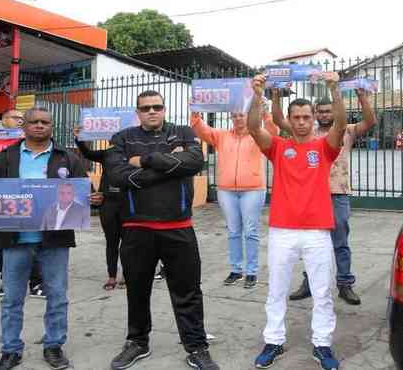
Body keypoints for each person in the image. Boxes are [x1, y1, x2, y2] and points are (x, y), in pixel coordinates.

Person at [104, 90, 219, 370]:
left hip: (178, 227)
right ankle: (137, 342)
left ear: (164, 109)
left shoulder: (182, 131)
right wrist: (171, 164)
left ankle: (196, 346)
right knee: (137, 290)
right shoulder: (122, 138)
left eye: (156, 106)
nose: (151, 111)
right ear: (138, 112)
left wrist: (144, 160)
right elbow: (118, 176)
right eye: (145, 108)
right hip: (136, 228)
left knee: (188, 291)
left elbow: (194, 162)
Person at [0, 108, 101, 370]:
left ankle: (54, 346)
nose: (39, 126)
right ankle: (10, 349)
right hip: (14, 239)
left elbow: (85, 192)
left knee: (57, 295)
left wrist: (94, 199)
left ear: (51, 126)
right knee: (12, 298)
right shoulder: (5, 158)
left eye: (45, 122)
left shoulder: (67, 158)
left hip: (55, 238)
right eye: (34, 122)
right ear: (23, 126)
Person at [248, 72, 346, 370]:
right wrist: (257, 95)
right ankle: (274, 341)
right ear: (289, 119)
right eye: (297, 117)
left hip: (317, 232)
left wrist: (334, 88)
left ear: (314, 119)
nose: (302, 121)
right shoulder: (279, 146)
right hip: (283, 231)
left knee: (323, 291)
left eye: (306, 117)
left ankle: (322, 344)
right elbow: (253, 127)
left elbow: (341, 124)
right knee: (276, 289)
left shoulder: (325, 147)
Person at [273, 88, 376, 306]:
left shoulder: (345, 130)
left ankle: (345, 284)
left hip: (337, 193)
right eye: (320, 111)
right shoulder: (305, 129)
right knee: (310, 244)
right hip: (309, 196)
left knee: (340, 241)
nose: (324, 115)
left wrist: (362, 97)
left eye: (328, 111)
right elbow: (279, 119)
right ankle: (309, 283)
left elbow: (370, 121)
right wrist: (274, 95)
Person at [190, 102, 278, 288]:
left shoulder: (257, 135)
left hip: (253, 189)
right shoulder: (222, 136)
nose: (238, 118)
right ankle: (237, 269)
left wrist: (265, 114)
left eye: (242, 115)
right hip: (227, 190)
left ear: (248, 116)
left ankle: (252, 272)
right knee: (233, 231)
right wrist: (196, 114)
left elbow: (273, 132)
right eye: (235, 115)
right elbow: (202, 131)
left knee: (251, 231)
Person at [0, 109, 43, 299]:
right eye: (16, 117)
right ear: (4, 121)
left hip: (26, 200)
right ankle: (7, 281)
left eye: (23, 118)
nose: (20, 121)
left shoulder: (29, 141)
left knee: (32, 241)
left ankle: (36, 282)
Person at [73, 125, 126, 290]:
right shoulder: (107, 154)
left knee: (128, 241)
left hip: (128, 203)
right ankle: (111, 276)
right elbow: (87, 154)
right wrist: (79, 138)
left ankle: (126, 275)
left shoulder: (134, 153)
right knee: (112, 241)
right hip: (107, 203)